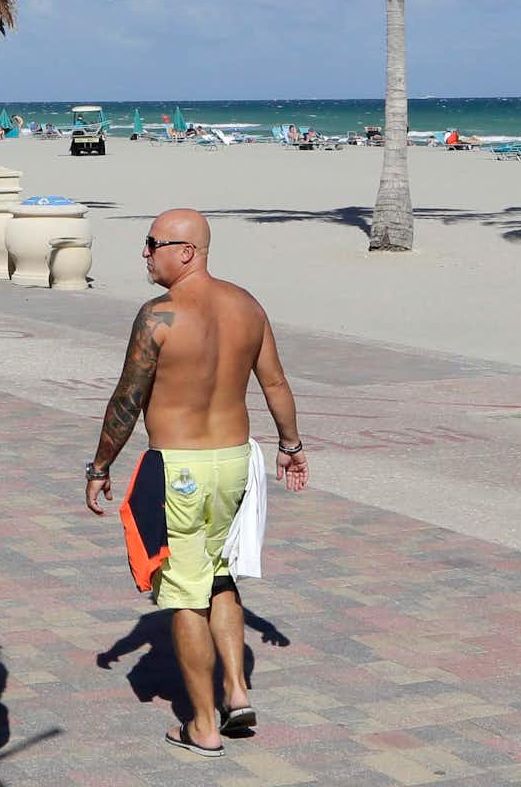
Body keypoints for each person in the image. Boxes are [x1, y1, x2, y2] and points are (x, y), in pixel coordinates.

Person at [84, 208, 305, 756]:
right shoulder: (247, 305)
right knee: (221, 573)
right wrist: (291, 446)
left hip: (179, 465)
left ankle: (203, 724)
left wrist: (100, 466)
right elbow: (274, 381)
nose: (145, 253)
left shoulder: (159, 314)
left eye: (151, 243)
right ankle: (235, 690)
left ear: (186, 251)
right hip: (234, 461)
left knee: (183, 592)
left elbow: (127, 398)